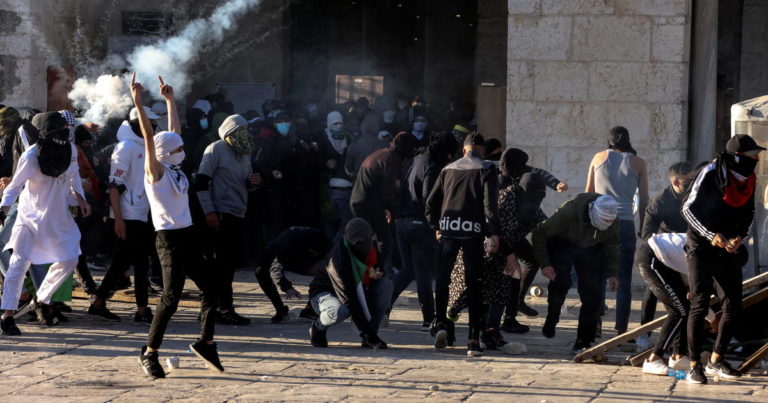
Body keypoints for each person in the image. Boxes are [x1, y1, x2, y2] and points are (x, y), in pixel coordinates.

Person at [131, 74, 222, 379]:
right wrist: (138, 103)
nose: (183, 151)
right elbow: (149, 137)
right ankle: (149, 352)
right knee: (171, 298)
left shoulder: (173, 165)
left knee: (212, 288)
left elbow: (174, 134)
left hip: (189, 234)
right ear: (165, 154)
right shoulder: (155, 172)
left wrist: (171, 101)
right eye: (178, 150)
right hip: (168, 239)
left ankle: (206, 342)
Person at [682, 134, 763, 384]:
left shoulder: (749, 179)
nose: (757, 159)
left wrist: (740, 237)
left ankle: (717, 359)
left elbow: (750, 213)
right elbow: (687, 208)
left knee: (733, 305)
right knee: (700, 303)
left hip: (728, 246)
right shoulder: (711, 172)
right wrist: (710, 235)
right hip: (701, 244)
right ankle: (695, 366)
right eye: (753, 155)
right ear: (738, 156)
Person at [0, 112, 91, 336]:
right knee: (18, 266)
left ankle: (41, 299)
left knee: (70, 258)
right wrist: (2, 209)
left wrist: (80, 199)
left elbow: (73, 178)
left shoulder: (69, 150)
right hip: (29, 219)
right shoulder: (31, 156)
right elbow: (14, 186)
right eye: (58, 128)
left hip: (58, 219)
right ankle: (8, 316)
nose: (64, 132)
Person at [87, 104, 163, 324]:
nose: (154, 128)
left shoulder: (147, 146)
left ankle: (100, 303)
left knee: (124, 262)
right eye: (151, 124)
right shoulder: (126, 148)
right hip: (128, 215)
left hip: (144, 213)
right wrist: (118, 220)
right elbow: (114, 186)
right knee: (138, 262)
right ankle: (141, 310)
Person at [426, 132, 500, 356]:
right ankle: (473, 340)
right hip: (473, 232)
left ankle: (440, 324)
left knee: (443, 279)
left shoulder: (447, 169)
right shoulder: (487, 168)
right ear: (483, 150)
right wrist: (494, 233)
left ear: (464, 149)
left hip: (449, 229)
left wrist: (436, 227)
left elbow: (431, 203)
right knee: (474, 284)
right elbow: (490, 204)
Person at [532, 193, 619, 353]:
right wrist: (545, 264)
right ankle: (552, 317)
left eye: (610, 221)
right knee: (560, 283)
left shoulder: (613, 218)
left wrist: (612, 272)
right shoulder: (569, 212)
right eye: (604, 220)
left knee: (592, 295)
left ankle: (583, 341)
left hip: (592, 247)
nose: (608, 223)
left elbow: (612, 244)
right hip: (563, 242)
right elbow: (539, 232)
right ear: (594, 212)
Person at [196, 114, 260, 326]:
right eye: (241, 129)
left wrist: (253, 182)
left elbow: (246, 182)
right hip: (220, 213)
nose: (245, 133)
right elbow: (202, 182)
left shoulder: (245, 153)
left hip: (238, 212)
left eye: (246, 129)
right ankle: (220, 308)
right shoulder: (215, 149)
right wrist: (209, 212)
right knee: (219, 264)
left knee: (228, 264)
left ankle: (216, 307)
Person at [391, 132, 457, 329]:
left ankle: (383, 307)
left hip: (401, 222)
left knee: (407, 271)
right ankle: (429, 317)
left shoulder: (414, 160)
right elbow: (430, 198)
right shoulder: (432, 166)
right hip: (419, 224)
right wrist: (435, 225)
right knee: (423, 274)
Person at [586, 126, 648, 334]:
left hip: (600, 222)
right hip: (625, 223)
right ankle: (621, 329)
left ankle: (595, 324)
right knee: (624, 278)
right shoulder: (639, 163)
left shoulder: (598, 158)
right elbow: (644, 200)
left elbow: (588, 194)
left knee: (599, 274)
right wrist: (643, 227)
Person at [494, 148, 567, 320]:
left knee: (530, 261)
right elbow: (498, 229)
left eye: (540, 198)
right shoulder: (506, 195)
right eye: (535, 197)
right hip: (496, 240)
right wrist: (509, 254)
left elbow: (545, 227)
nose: (537, 201)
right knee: (506, 276)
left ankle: (515, 305)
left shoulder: (531, 201)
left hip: (513, 239)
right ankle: (496, 320)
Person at [308, 218, 392, 349]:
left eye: (368, 240)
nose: (366, 246)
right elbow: (350, 298)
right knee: (339, 311)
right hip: (325, 293)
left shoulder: (370, 242)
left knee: (385, 285)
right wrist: (368, 335)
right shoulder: (337, 261)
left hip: (358, 289)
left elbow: (378, 265)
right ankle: (318, 327)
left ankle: (371, 331)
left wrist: (377, 271)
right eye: (361, 243)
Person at [637, 161, 693, 350]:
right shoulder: (660, 200)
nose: (690, 185)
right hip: (664, 250)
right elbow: (646, 233)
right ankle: (644, 334)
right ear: (675, 183)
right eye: (687, 182)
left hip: (687, 251)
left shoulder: (694, 196)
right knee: (652, 292)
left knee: (689, 295)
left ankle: (682, 339)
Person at [350, 132, 417, 274]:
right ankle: (376, 271)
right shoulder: (392, 160)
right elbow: (388, 189)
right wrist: (388, 209)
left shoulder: (382, 154)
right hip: (369, 204)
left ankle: (366, 270)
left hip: (359, 201)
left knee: (366, 238)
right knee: (383, 240)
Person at [636, 233, 691, 375]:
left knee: (685, 308)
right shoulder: (708, 252)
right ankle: (653, 359)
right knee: (679, 311)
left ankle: (678, 356)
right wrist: (712, 318)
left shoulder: (713, 252)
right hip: (652, 257)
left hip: (666, 261)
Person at [254, 226, 333, 322]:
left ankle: (310, 308)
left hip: (302, 253)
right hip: (279, 250)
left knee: (330, 271)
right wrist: (287, 287)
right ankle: (281, 309)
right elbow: (276, 269)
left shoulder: (323, 243)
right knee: (260, 272)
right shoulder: (287, 244)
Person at [318, 111, 353, 239]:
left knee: (344, 223)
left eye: (340, 123)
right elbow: (315, 160)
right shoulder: (322, 140)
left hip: (346, 187)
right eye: (334, 124)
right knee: (329, 220)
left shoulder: (349, 140)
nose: (338, 126)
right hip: (327, 190)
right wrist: (325, 163)